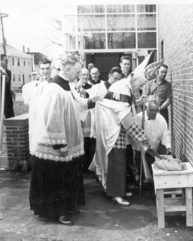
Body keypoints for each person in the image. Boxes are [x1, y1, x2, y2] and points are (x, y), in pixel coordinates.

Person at [89, 56, 162, 206]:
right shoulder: (124, 89)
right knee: (117, 163)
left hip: (115, 128)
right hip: (114, 131)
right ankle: (116, 194)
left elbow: (124, 109)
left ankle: (119, 190)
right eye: (139, 84)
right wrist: (142, 137)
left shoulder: (124, 86)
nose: (138, 86)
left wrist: (138, 103)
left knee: (120, 162)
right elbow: (126, 119)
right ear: (134, 79)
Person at [29, 53, 85, 226]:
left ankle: (67, 207)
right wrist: (60, 143)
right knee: (56, 179)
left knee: (67, 175)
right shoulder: (54, 88)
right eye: (76, 71)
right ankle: (57, 212)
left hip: (69, 141)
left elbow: (75, 106)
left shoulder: (67, 85)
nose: (78, 75)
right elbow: (52, 117)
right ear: (67, 69)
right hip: (55, 144)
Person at [130, 95, 173, 181]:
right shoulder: (138, 118)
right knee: (143, 177)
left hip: (155, 150)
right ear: (146, 107)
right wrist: (145, 149)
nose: (154, 113)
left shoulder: (161, 119)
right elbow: (132, 138)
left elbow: (165, 133)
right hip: (141, 151)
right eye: (152, 110)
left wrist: (168, 146)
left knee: (157, 175)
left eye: (156, 110)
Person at [23, 59, 52, 154]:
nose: (45, 71)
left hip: (50, 119)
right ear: (39, 70)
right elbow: (28, 102)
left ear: (51, 69)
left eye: (47, 68)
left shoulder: (54, 83)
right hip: (37, 119)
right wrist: (38, 86)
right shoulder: (33, 85)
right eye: (43, 68)